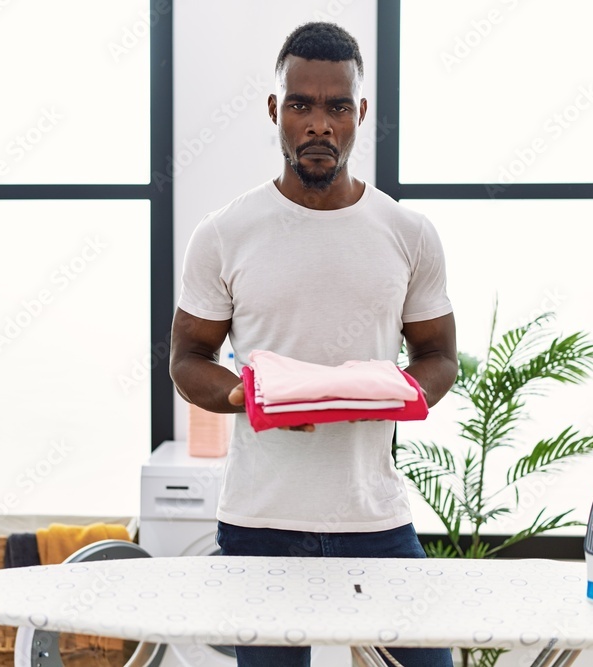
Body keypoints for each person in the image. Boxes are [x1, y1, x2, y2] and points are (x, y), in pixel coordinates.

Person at [169, 22, 457, 667]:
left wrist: (393, 396)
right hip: (260, 522)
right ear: (276, 111)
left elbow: (439, 356)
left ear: (359, 113)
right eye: (301, 105)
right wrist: (254, 398)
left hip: (373, 517)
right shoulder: (224, 233)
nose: (318, 124)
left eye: (335, 106)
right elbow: (187, 360)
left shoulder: (407, 232)